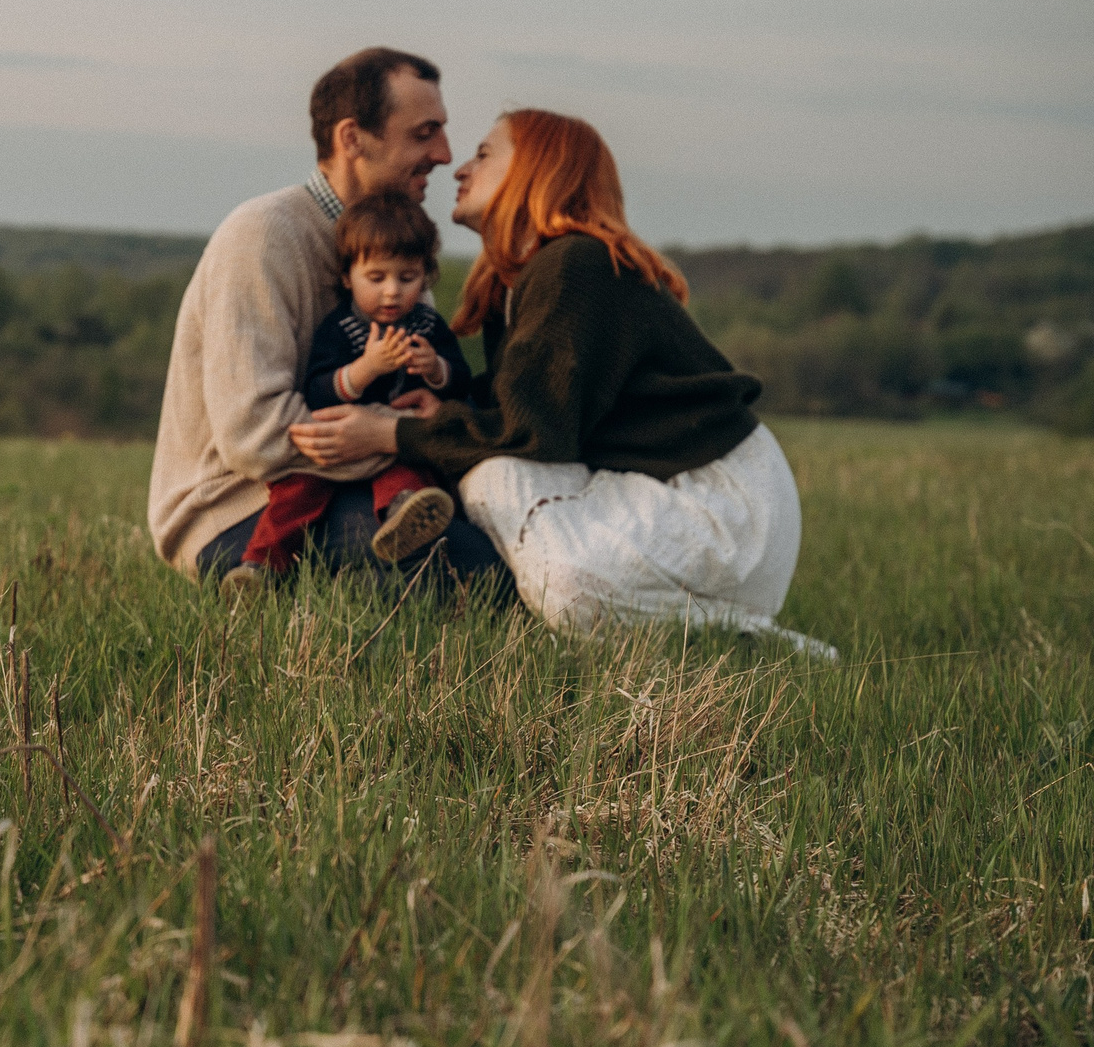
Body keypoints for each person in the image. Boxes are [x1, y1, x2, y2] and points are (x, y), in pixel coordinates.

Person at [289, 108, 832, 655]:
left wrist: (388, 433)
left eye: (483, 154)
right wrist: (437, 410)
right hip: (676, 493)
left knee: (496, 483)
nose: (459, 169)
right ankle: (636, 626)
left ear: (537, 167)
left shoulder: (576, 264)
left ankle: (745, 640)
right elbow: (527, 406)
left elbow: (532, 434)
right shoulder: (525, 278)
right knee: (495, 483)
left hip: (717, 507)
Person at [147, 46, 509, 591]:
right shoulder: (263, 235)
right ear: (351, 139)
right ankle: (285, 596)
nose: (444, 153)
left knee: (504, 537)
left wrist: (422, 423)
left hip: (365, 485)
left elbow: (414, 399)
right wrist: (391, 438)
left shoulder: (394, 247)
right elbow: (256, 435)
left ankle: (338, 598)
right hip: (236, 507)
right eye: (423, 133)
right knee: (478, 571)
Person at [226, 191, 473, 584]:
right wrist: (365, 369)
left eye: (407, 278)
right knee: (296, 493)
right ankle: (260, 566)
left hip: (392, 445)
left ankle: (403, 522)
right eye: (376, 278)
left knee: (411, 473)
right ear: (347, 277)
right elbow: (318, 390)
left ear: (425, 275)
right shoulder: (341, 328)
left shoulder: (427, 326)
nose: (392, 291)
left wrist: (437, 369)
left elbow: (461, 381)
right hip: (336, 452)